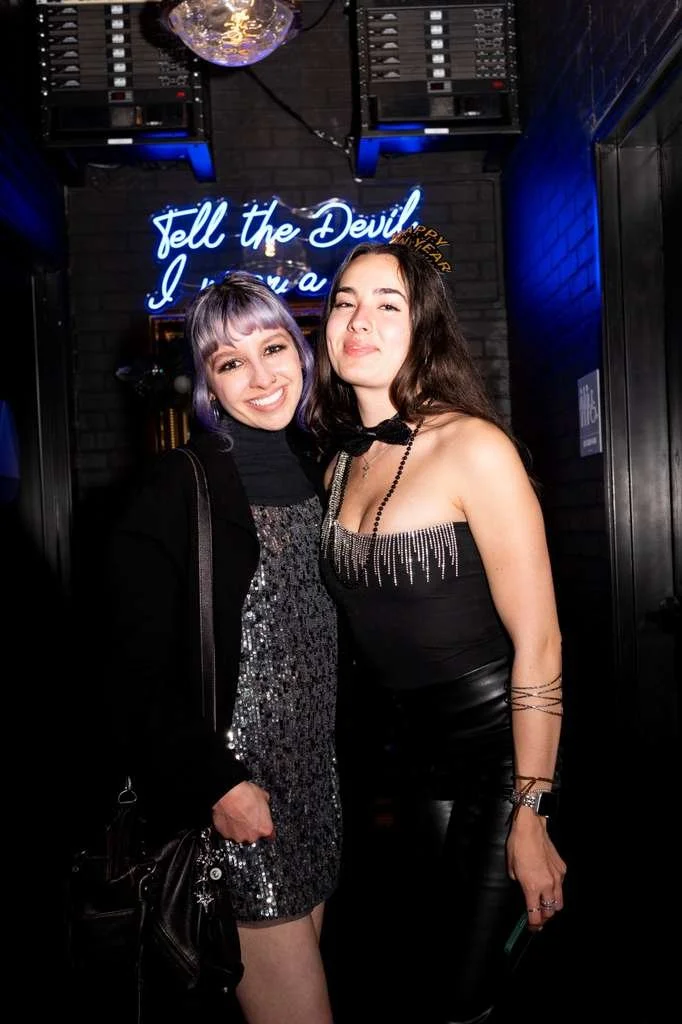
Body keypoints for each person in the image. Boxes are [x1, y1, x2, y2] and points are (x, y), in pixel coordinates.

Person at [307, 235, 566, 1024]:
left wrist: (534, 811)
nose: (360, 319)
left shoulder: (474, 449)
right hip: (412, 760)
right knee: (427, 969)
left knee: (467, 989)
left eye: (389, 304)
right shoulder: (339, 464)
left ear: (424, 329)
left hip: (501, 751)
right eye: (346, 300)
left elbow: (540, 645)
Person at [105, 272, 341, 1024]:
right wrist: (217, 784)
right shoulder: (175, 487)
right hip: (237, 791)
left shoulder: (322, 467)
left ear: (301, 353)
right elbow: (131, 667)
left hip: (316, 783)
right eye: (231, 362)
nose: (262, 375)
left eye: (273, 347)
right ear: (207, 382)